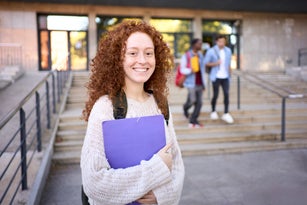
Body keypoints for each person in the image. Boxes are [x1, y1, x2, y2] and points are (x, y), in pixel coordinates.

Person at [80, 20, 185, 205]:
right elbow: (94, 182)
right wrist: (156, 168)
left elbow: (176, 164)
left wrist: (162, 197)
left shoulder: (160, 104)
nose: (142, 60)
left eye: (149, 53)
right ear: (118, 59)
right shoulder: (105, 107)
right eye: (132, 53)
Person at [204, 35, 234, 124]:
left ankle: (226, 113)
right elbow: (206, 63)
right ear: (217, 41)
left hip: (226, 77)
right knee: (215, 95)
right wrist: (216, 63)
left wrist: (230, 72)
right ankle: (213, 111)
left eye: (223, 42)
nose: (222, 43)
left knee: (226, 94)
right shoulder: (211, 51)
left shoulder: (228, 50)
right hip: (216, 76)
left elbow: (228, 63)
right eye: (220, 41)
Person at [181, 38, 206, 128]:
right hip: (191, 83)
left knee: (199, 103)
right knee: (192, 100)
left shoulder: (201, 55)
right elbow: (182, 69)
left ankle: (193, 120)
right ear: (194, 44)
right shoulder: (187, 55)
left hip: (200, 83)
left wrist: (204, 83)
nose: (200, 45)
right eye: (199, 44)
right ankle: (185, 108)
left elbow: (202, 70)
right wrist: (190, 70)